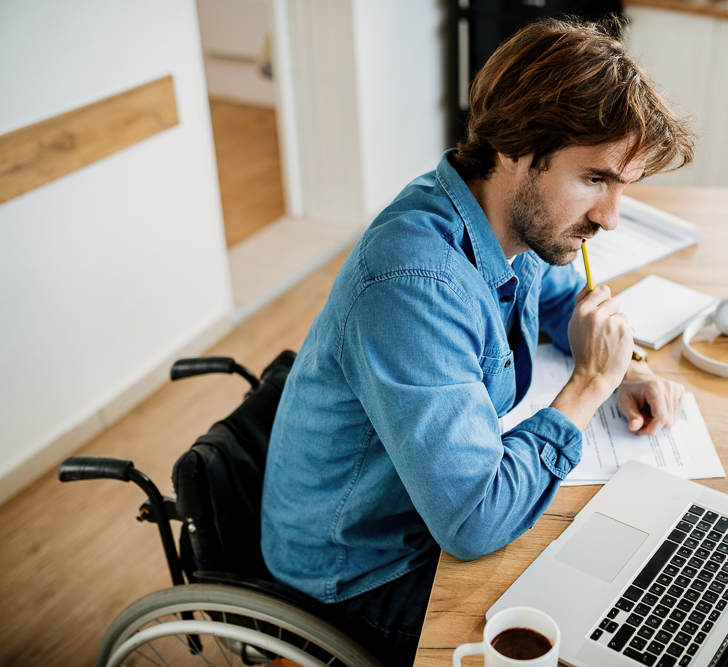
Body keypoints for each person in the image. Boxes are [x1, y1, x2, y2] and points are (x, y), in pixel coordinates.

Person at [261, 16, 696, 665]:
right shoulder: (414, 283)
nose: (609, 217)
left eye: (622, 187)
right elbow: (473, 522)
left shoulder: (500, 220)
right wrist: (588, 386)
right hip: (363, 569)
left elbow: (553, 299)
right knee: (585, 640)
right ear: (518, 148)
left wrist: (624, 367)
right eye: (595, 179)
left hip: (431, 515)